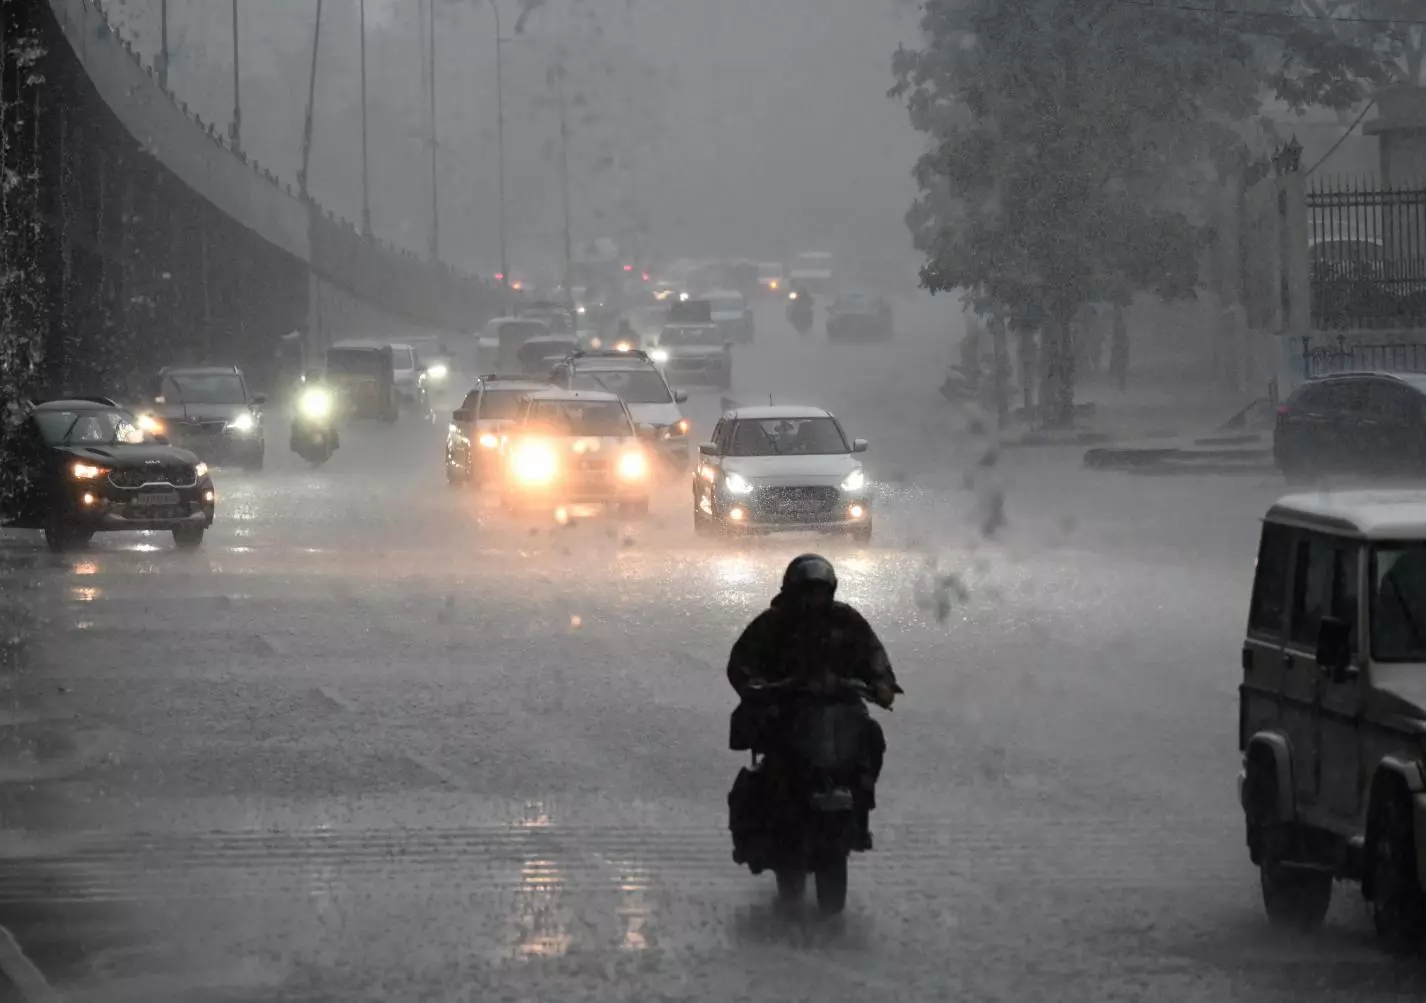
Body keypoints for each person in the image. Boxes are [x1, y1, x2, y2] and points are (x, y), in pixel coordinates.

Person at [726, 554, 902, 848]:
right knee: (772, 748)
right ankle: (769, 821)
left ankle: (861, 802)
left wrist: (882, 683)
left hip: (840, 704)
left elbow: (874, 654)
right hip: (788, 705)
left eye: (820, 592)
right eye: (807, 592)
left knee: (870, 736)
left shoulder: (846, 620)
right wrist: (757, 685)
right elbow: (742, 662)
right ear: (792, 591)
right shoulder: (772, 624)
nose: (813, 600)